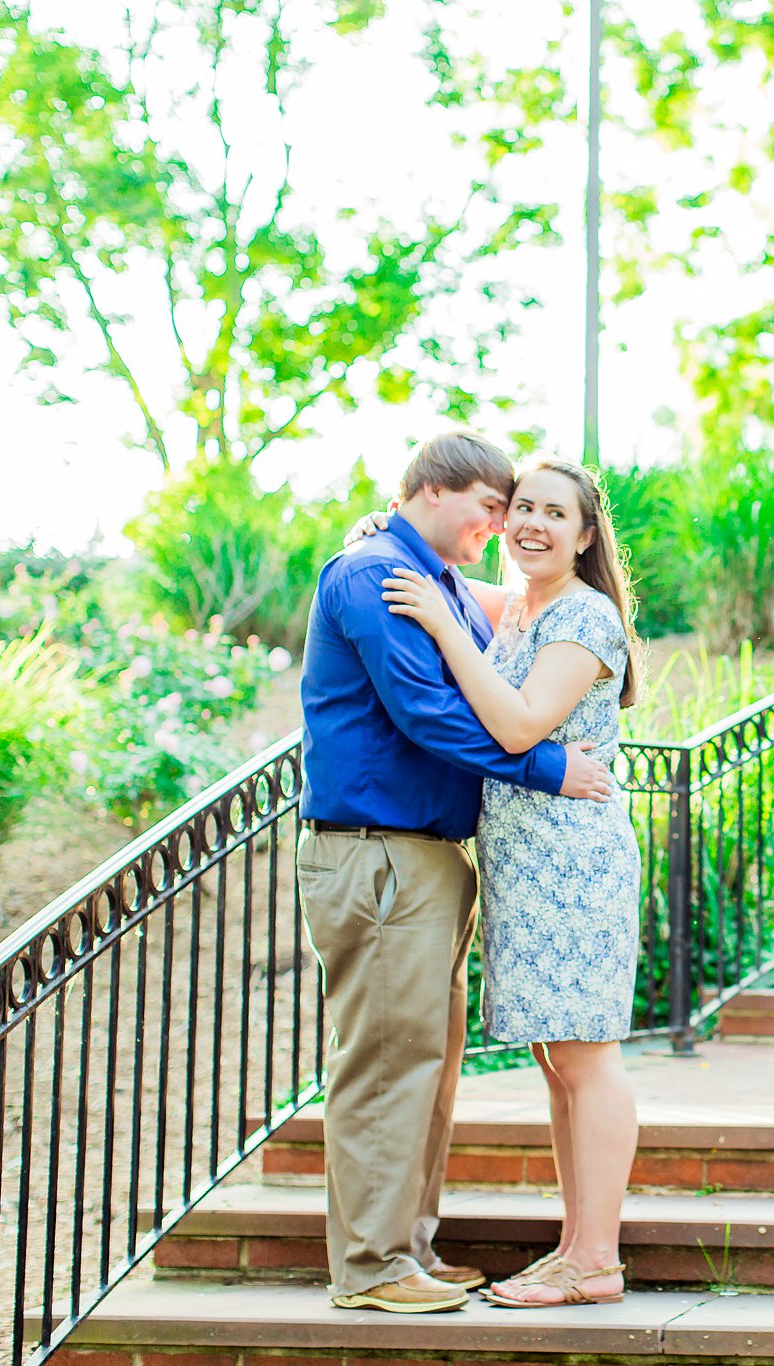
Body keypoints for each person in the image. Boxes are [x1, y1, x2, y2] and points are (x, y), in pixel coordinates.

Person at [297, 433, 615, 1315]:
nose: (503, 523)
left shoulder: (429, 576)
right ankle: (371, 1266)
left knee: (425, 1066)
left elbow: (514, 623)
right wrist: (548, 768)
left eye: (532, 508)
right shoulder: (373, 576)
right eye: (494, 505)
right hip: (379, 852)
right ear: (435, 492)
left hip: (426, 859)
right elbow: (428, 712)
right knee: (387, 1065)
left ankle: (407, 1250)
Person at [379, 458, 643, 1310]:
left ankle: (596, 1261)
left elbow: (522, 721)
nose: (531, 522)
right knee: (556, 1058)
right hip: (527, 863)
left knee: (585, 1059)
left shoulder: (585, 616)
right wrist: (383, 539)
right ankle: (575, 1249)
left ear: (586, 535)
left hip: (575, 860)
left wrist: (446, 628)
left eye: (553, 513)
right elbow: (460, 587)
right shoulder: (524, 604)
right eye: (521, 507)